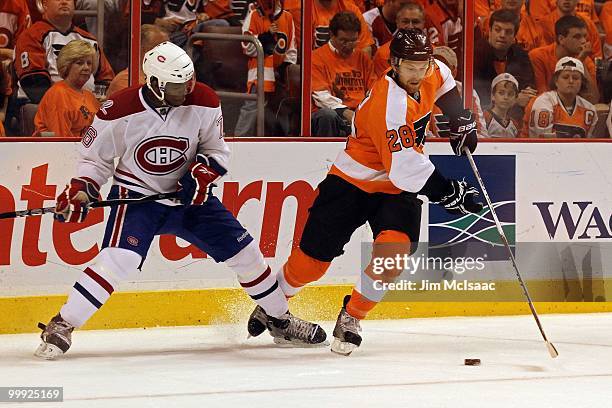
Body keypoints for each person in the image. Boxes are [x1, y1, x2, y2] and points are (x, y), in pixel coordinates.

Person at [34, 42, 325, 360]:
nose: (188, 87)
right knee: (120, 260)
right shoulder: (118, 109)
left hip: (191, 200)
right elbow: (94, 160)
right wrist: (82, 190)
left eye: (190, 79)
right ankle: (63, 323)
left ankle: (280, 320)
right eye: (178, 84)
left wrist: (203, 174)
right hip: (138, 197)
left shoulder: (204, 99)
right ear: (156, 84)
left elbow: (217, 151)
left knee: (247, 254)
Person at [247, 29, 482, 355]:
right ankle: (273, 307)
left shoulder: (432, 70)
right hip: (351, 181)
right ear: (395, 64)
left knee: (394, 253)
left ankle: (352, 317)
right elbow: (405, 168)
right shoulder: (389, 104)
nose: (418, 73)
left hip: (395, 190)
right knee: (310, 263)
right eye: (410, 67)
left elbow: (444, 81)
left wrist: (458, 119)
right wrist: (448, 191)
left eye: (422, 65)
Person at [14, 0, 114, 104]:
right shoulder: (31, 36)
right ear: (44, 5)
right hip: (44, 107)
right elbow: (33, 84)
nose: (64, 2)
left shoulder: (89, 39)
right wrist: (66, 104)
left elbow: (106, 80)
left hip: (87, 107)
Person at [233, 0, 297, 137]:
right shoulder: (254, 15)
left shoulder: (287, 17)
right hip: (260, 72)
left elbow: (291, 49)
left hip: (279, 73)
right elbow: (247, 47)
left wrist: (286, 67)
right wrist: (265, 36)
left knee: (281, 110)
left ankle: (281, 142)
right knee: (251, 108)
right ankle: (238, 141)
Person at [311, 11, 373, 137]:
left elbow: (374, 91)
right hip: (333, 113)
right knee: (327, 115)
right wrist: (346, 112)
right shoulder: (316, 58)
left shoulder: (363, 58)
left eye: (353, 41)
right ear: (332, 35)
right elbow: (321, 97)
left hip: (360, 113)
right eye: (343, 41)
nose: (349, 46)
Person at [33, 40, 100, 137]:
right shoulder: (58, 94)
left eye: (89, 63)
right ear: (67, 66)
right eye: (80, 63)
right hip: (56, 150)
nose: (86, 67)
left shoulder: (90, 96)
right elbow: (61, 140)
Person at [529, 15, 599, 103]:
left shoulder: (585, 59)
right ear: (561, 39)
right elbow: (543, 97)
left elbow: (593, 100)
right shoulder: (538, 56)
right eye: (577, 37)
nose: (583, 41)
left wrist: (580, 62)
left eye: (584, 36)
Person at [473, 9, 535, 109]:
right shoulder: (474, 54)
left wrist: (527, 93)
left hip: (514, 115)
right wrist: (514, 100)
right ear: (490, 30)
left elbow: (529, 85)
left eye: (508, 32)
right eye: (498, 30)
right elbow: (479, 95)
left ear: (514, 36)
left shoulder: (520, 54)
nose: (502, 35)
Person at [522, 56, 596, 138]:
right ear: (556, 81)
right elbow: (543, 144)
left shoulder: (589, 110)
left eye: (575, 78)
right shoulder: (542, 103)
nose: (571, 81)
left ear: (582, 82)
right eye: (565, 77)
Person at [372, 1, 442, 78]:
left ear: (423, 23)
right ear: (397, 22)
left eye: (415, 22)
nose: (410, 26)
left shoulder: (434, 53)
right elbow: (383, 85)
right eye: (405, 21)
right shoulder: (383, 55)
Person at [106, 24, 169, 97]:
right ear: (142, 48)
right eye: (160, 47)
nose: (166, 53)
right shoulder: (126, 80)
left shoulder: (168, 77)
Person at [484, 72, 521, 137]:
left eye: (510, 94)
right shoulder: (484, 118)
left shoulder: (515, 125)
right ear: (492, 96)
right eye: (501, 93)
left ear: (515, 99)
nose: (506, 97)